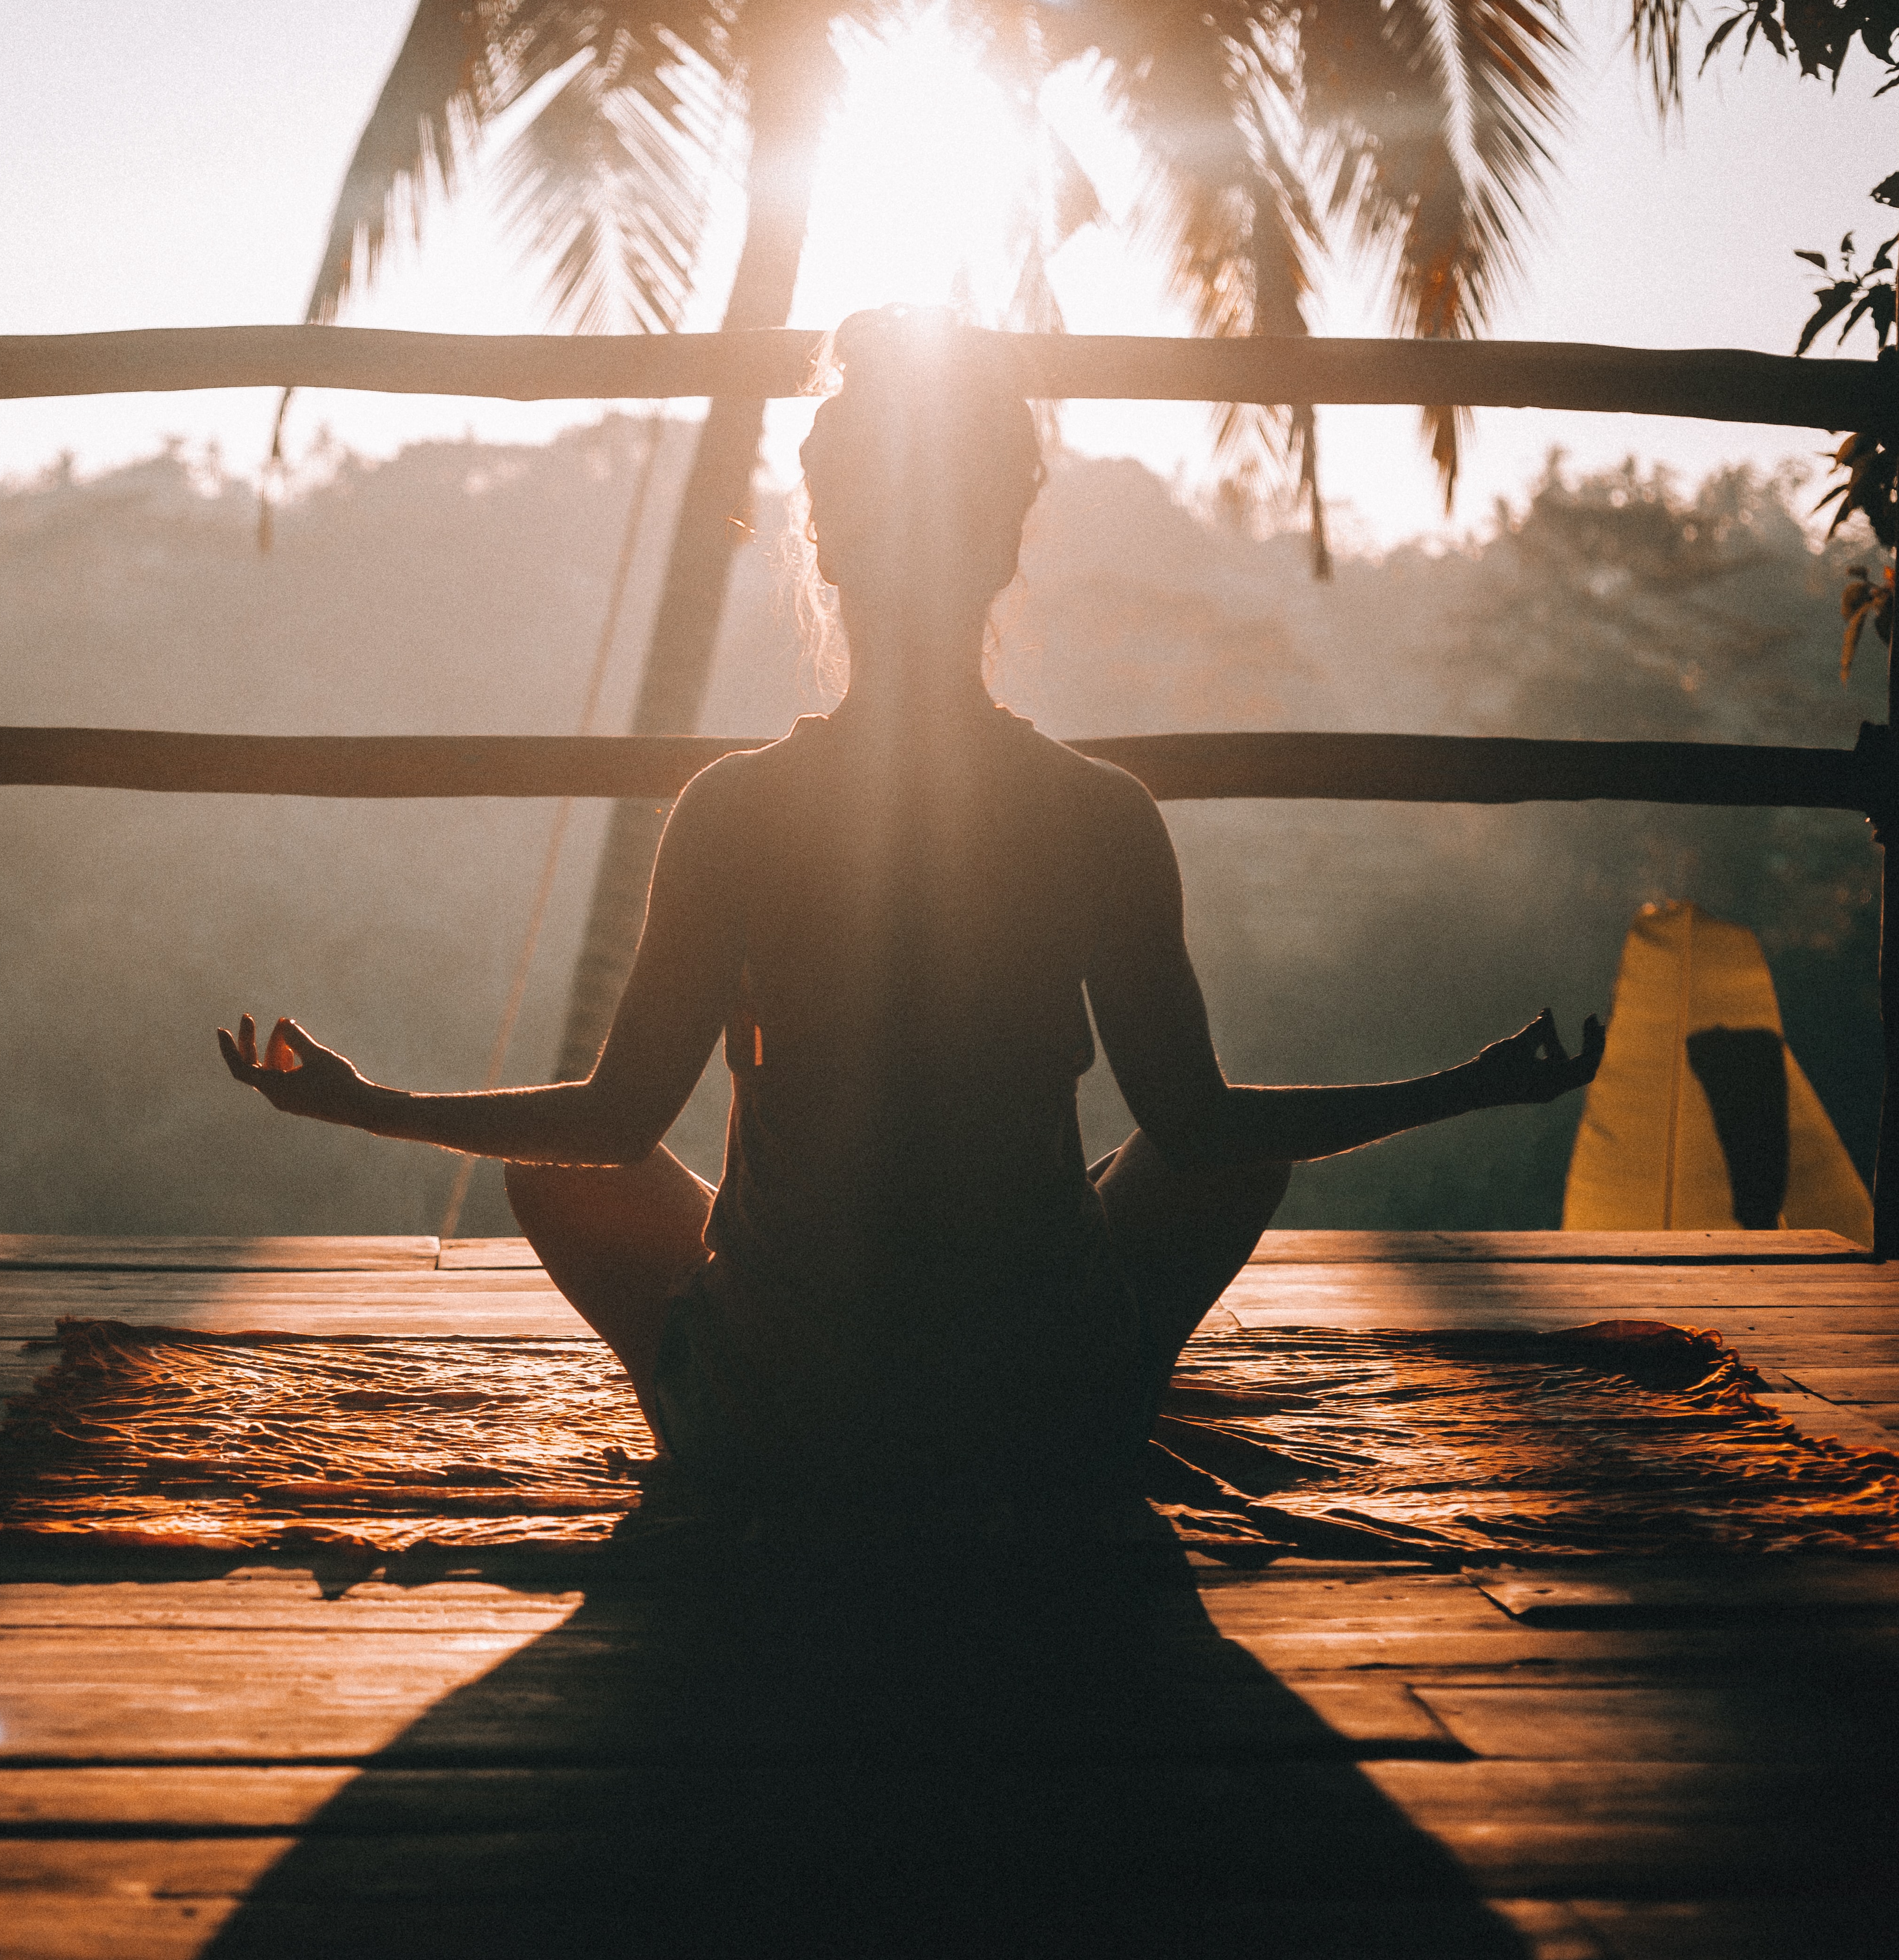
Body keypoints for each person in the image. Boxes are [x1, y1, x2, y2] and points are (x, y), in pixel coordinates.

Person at [218, 305, 1603, 1527]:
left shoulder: (735, 809)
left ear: (826, 548)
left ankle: (722, 1413)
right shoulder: (1098, 812)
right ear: (1005, 548)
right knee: (1227, 1155)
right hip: (1038, 1420)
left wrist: (366, 1100)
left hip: (787, 1428)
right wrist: (1470, 1086)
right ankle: (1098, 1391)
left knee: (557, 1172)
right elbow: (1203, 1128)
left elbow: (614, 1122)